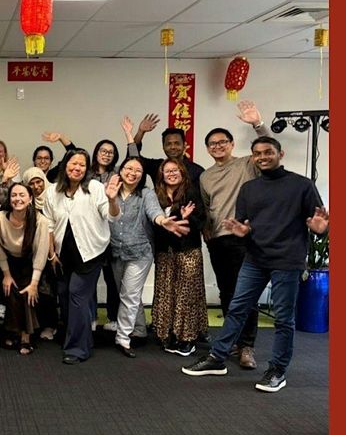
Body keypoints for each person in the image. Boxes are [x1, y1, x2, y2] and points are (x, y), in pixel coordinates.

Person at [183, 136, 329, 392]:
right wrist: (241, 231)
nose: (263, 157)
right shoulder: (249, 189)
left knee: (283, 319)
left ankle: (277, 370)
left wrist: (321, 229)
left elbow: (319, 223)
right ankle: (217, 358)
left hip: (287, 260)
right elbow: (244, 224)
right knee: (237, 308)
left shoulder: (301, 185)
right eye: (258, 153)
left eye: (268, 152)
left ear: (280, 154)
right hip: (254, 258)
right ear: (252, 157)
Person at [199, 99, 272, 369]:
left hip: (245, 239)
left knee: (246, 293)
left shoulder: (246, 164)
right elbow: (207, 207)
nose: (217, 146)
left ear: (231, 144)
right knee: (227, 293)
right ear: (208, 149)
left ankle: (247, 346)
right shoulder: (205, 176)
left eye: (222, 142)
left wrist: (257, 124)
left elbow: (269, 149)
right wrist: (207, 231)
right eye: (212, 144)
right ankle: (231, 341)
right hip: (219, 241)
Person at [107, 153, 191, 358]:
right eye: (129, 168)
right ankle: (139, 329)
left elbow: (154, 212)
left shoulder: (146, 193)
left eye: (138, 170)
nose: (133, 173)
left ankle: (123, 338)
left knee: (130, 295)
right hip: (115, 251)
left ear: (142, 174)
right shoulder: (110, 191)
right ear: (121, 170)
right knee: (124, 293)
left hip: (140, 252)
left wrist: (163, 221)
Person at [42, 150, 121, 364]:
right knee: (65, 296)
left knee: (78, 295)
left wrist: (112, 200)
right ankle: (78, 337)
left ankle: (78, 349)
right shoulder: (53, 191)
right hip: (62, 254)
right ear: (65, 165)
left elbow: (111, 216)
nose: (77, 168)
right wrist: (51, 253)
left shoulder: (95, 188)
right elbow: (49, 224)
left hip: (90, 252)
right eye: (73, 163)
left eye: (82, 165)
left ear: (87, 169)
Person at [150, 158, 207, 356]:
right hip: (165, 252)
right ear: (161, 175)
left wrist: (187, 217)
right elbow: (153, 223)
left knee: (187, 295)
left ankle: (187, 337)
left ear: (182, 173)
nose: (171, 174)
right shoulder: (156, 196)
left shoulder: (191, 193)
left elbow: (201, 222)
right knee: (166, 293)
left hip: (187, 251)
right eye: (167, 171)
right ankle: (168, 333)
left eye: (175, 170)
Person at [0, 183, 49, 355]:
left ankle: (26, 336)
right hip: (8, 261)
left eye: (22, 195)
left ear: (30, 198)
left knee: (28, 292)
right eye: (14, 195)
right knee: (10, 290)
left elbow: (41, 252)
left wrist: (34, 283)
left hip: (31, 262)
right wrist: (6, 274)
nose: (18, 199)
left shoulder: (40, 220)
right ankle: (12, 331)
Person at [22, 166, 59, 341]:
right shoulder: (25, 202)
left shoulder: (53, 197)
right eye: (32, 184)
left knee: (47, 292)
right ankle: (33, 326)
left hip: (51, 252)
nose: (36, 186)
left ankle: (50, 325)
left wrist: (52, 253)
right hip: (30, 253)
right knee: (31, 288)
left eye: (39, 182)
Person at [129, 114, 205, 186]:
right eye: (168, 144)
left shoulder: (197, 171)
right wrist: (140, 132)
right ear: (163, 147)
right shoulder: (157, 167)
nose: (173, 147)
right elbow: (133, 158)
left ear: (184, 146)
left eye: (177, 143)